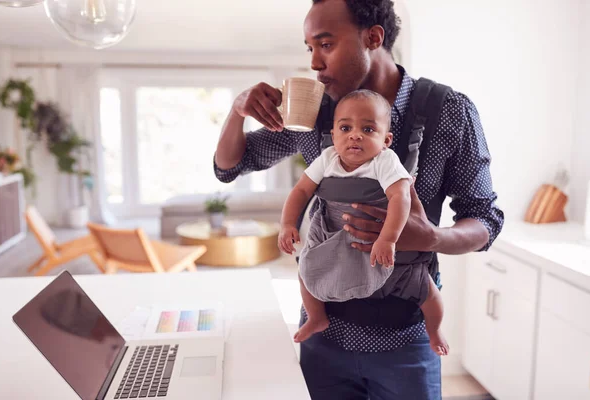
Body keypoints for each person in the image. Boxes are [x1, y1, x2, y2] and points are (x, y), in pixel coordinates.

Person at [213, 0, 504, 398]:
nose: (314, 62)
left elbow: (485, 219)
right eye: (309, 48)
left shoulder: (448, 112)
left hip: (405, 337)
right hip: (324, 335)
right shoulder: (315, 111)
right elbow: (230, 165)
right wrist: (236, 111)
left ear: (373, 37)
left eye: (326, 44)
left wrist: (431, 237)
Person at [277, 89, 449, 357]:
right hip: (333, 238)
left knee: (426, 289)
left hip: (379, 247)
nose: (355, 135)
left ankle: (435, 330)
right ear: (334, 136)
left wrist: (388, 239)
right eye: (345, 127)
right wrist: (287, 223)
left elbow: (400, 198)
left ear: (386, 140)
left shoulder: (385, 161)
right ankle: (316, 317)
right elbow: (300, 191)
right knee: (307, 273)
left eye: (368, 129)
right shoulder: (328, 159)